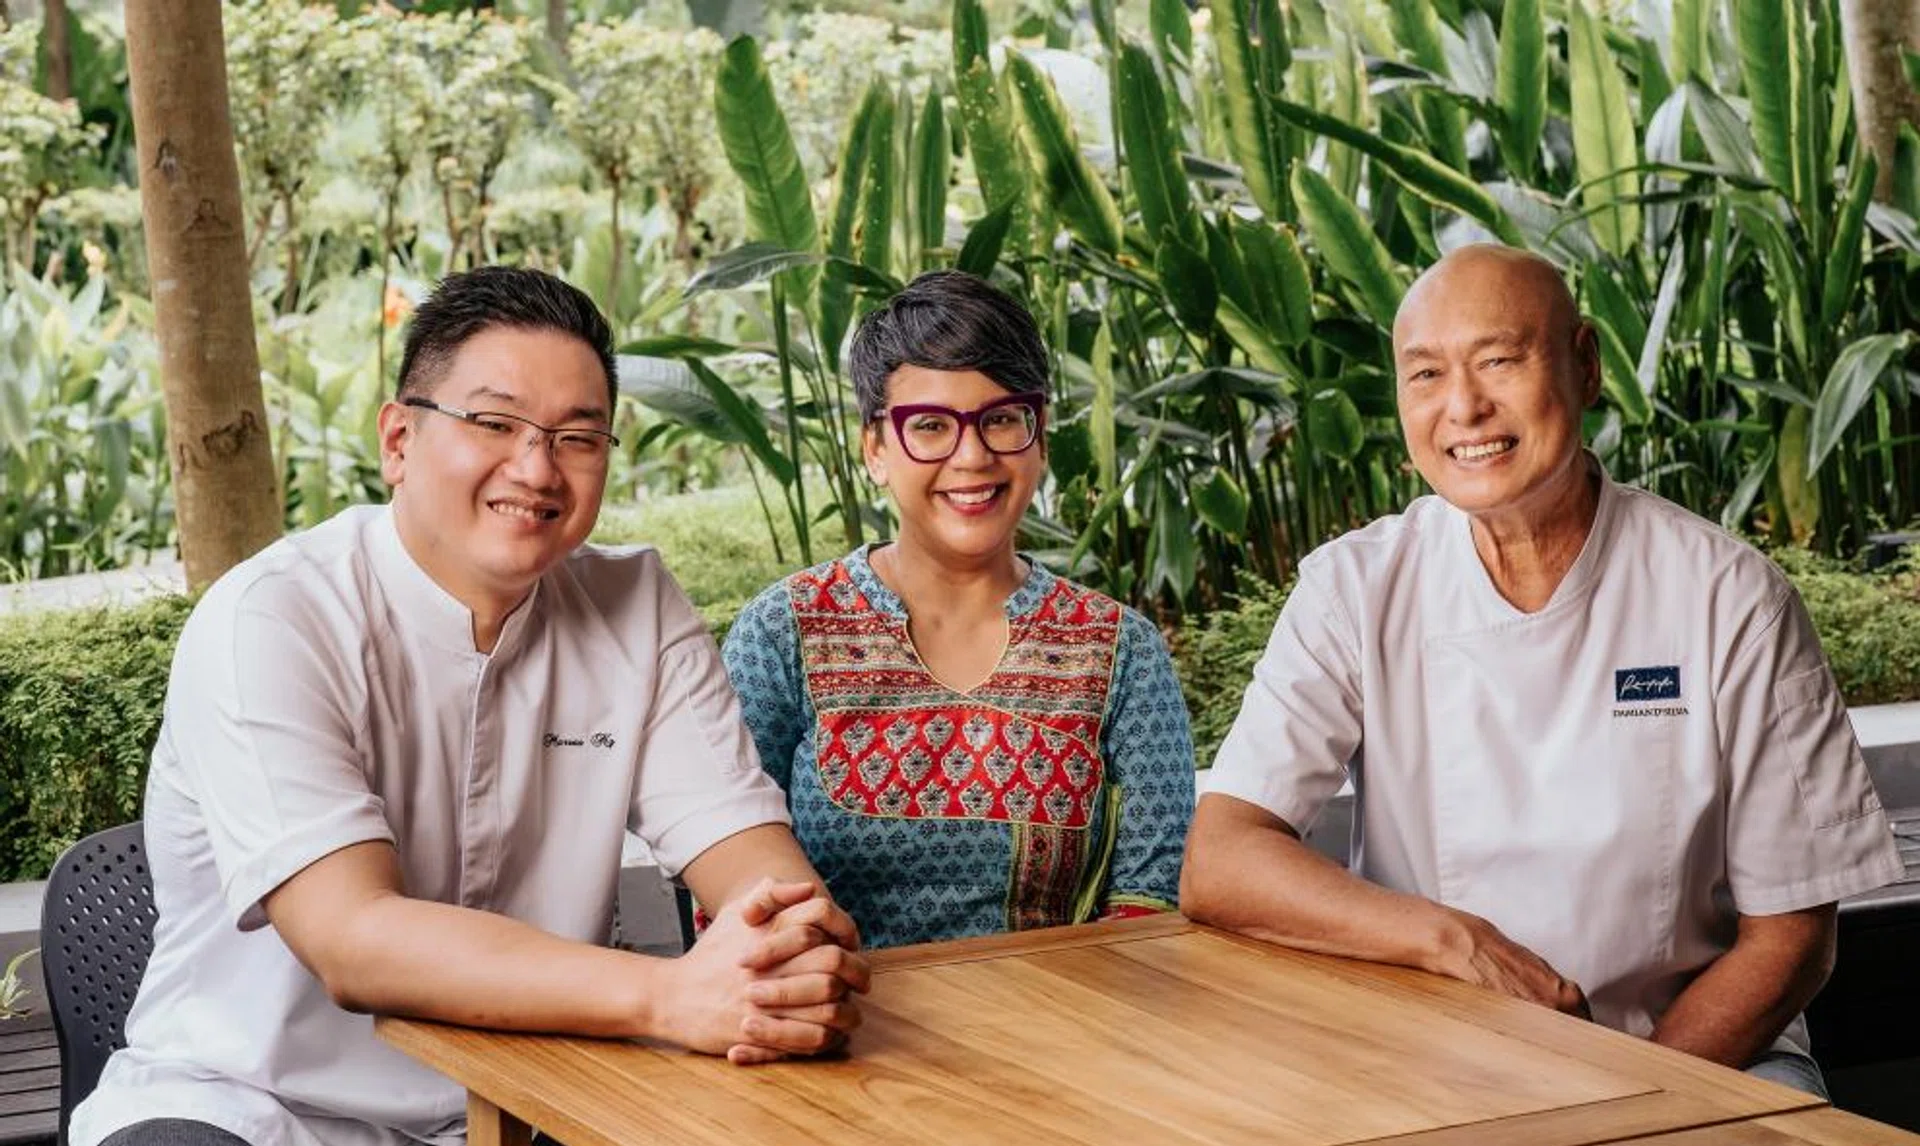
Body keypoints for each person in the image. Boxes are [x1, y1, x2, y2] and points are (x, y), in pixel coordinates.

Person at [67, 267, 868, 1146]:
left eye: (578, 437)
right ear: (398, 439)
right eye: (495, 422)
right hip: (244, 1108)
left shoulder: (635, 606)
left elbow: (759, 872)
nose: (537, 467)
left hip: (517, 1104)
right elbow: (355, 939)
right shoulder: (272, 616)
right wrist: (671, 997)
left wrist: (789, 955)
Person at [1184, 244, 1901, 1097]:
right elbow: (1222, 859)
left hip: (1704, 1054)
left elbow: (1793, 938)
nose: (1464, 408)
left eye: (1498, 360)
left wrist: (1631, 1100)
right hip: (1434, 1055)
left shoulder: (1728, 596)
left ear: (1585, 364)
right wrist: (1455, 940)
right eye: (1426, 375)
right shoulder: (1355, 589)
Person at [722, 269, 1194, 951]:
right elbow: (729, 884)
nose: (972, 457)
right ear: (876, 449)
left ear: (1039, 436)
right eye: (931, 426)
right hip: (833, 1007)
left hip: (1072, 1011)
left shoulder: (1119, 649)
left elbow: (1152, 902)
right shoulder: (783, 633)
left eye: (1001, 419)